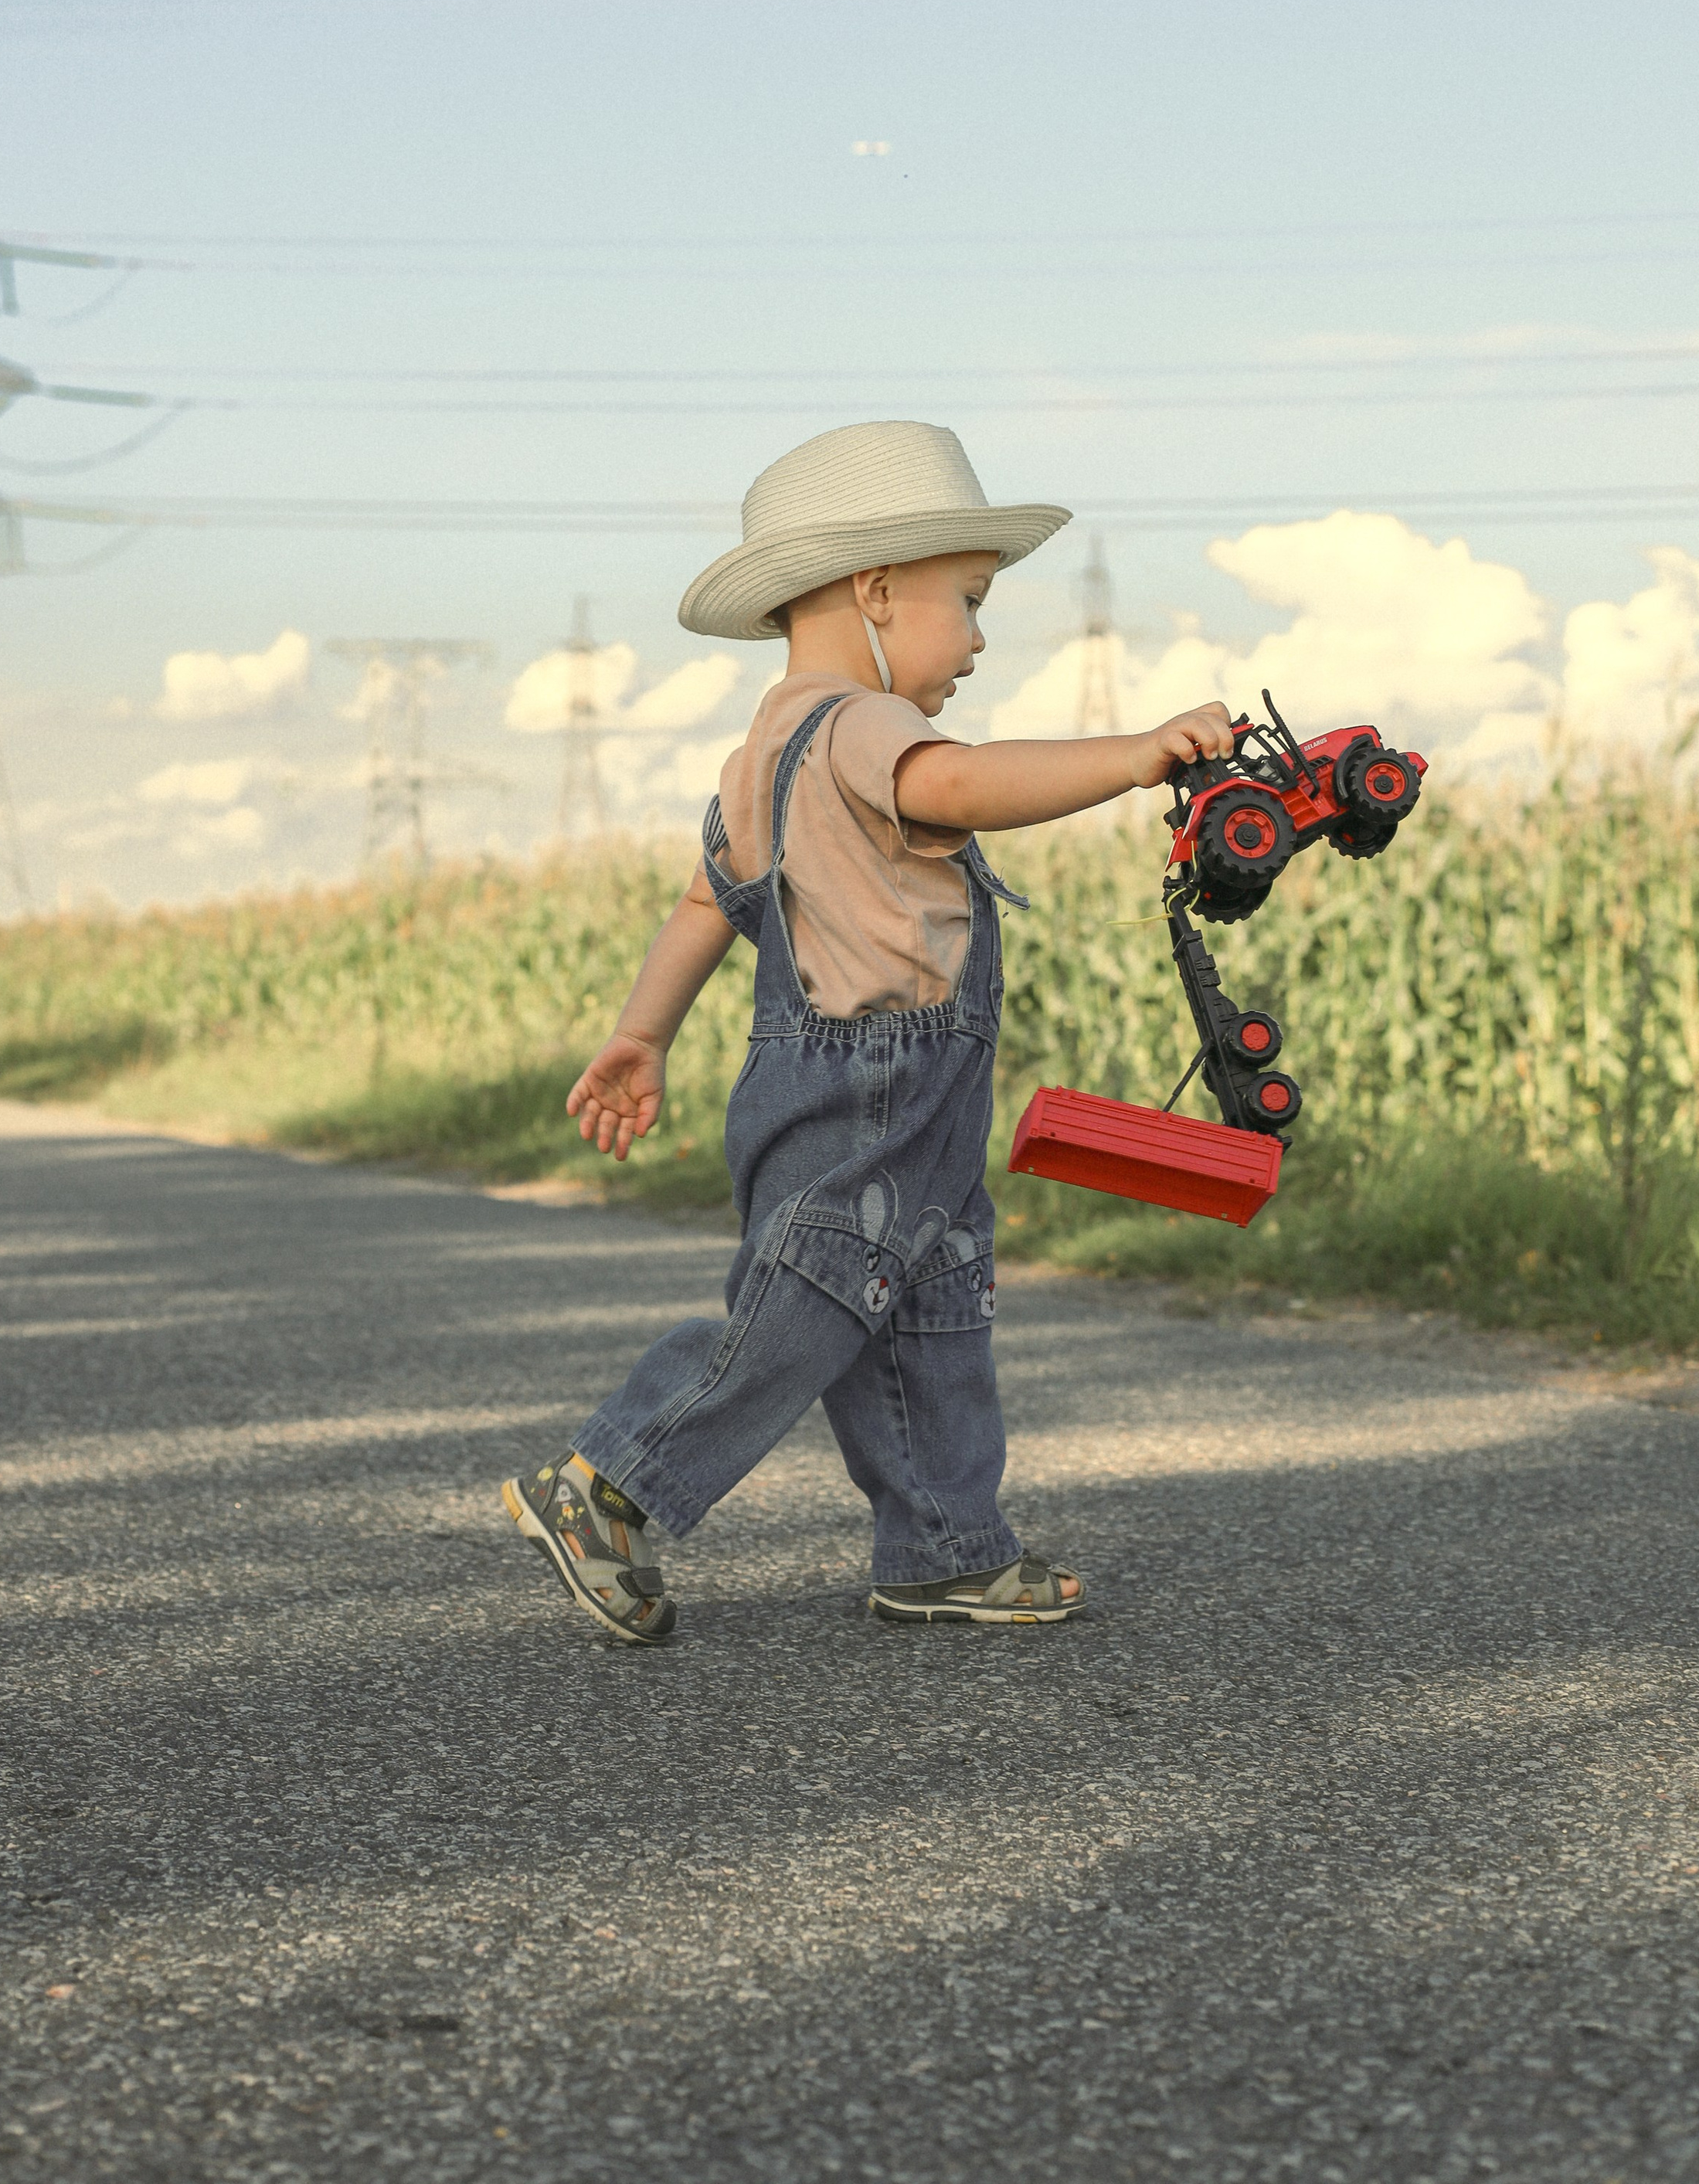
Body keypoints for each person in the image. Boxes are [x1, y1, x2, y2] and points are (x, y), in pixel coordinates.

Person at [503, 421, 1233, 1640]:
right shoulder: (859, 726)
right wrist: (1136, 755)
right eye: (971, 599)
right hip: (877, 1078)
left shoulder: (758, 758)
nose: (981, 636)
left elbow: (705, 903)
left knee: (930, 1305)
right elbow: (960, 783)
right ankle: (612, 1485)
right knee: (813, 1301)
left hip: (862, 1080)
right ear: (878, 590)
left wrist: (645, 1033)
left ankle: (946, 1545)